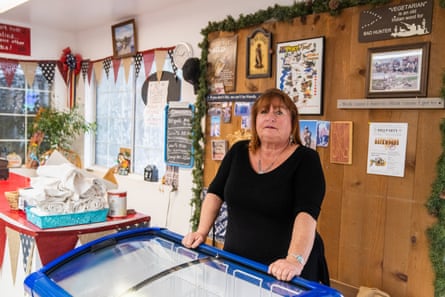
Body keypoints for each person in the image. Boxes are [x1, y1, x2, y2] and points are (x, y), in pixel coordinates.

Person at [182, 88, 330, 285]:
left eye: (279, 112)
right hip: (237, 262)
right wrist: (200, 232)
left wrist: (294, 261)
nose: (270, 117)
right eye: (263, 112)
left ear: (293, 122)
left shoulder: (306, 159)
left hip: (283, 271)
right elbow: (215, 193)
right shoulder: (238, 151)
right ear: (255, 120)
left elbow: (307, 214)